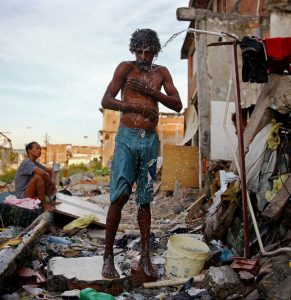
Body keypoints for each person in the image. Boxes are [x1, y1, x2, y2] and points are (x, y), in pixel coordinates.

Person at [101, 28, 182, 279]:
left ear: (155, 52)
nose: (143, 56)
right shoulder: (126, 68)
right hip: (126, 138)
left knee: (144, 200)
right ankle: (108, 257)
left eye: (148, 52)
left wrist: (151, 93)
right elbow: (106, 99)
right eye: (139, 51)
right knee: (120, 195)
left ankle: (146, 256)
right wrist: (132, 105)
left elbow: (178, 104)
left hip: (149, 142)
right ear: (133, 50)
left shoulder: (162, 73)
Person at [15, 141, 58, 212]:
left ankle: (49, 201)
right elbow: (42, 174)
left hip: (30, 191)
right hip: (22, 195)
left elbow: (50, 170)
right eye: (37, 148)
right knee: (39, 177)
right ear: (29, 151)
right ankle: (44, 204)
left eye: (40, 149)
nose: (39, 151)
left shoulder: (35, 163)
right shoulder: (27, 162)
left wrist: (52, 180)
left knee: (46, 175)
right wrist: (52, 183)